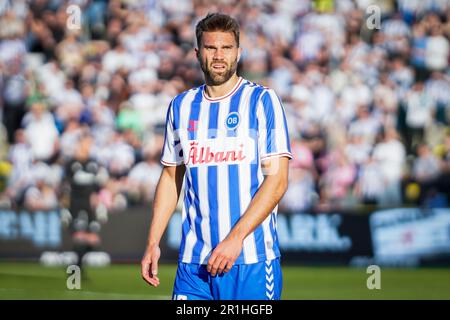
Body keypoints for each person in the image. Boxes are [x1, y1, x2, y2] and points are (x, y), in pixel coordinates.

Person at [141, 13, 292, 300]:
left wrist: (235, 240)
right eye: (211, 48)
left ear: (238, 52)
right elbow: (172, 175)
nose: (219, 55)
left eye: (226, 48)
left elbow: (277, 181)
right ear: (198, 53)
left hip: (249, 261)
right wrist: (153, 242)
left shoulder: (262, 101)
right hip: (193, 266)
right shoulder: (181, 106)